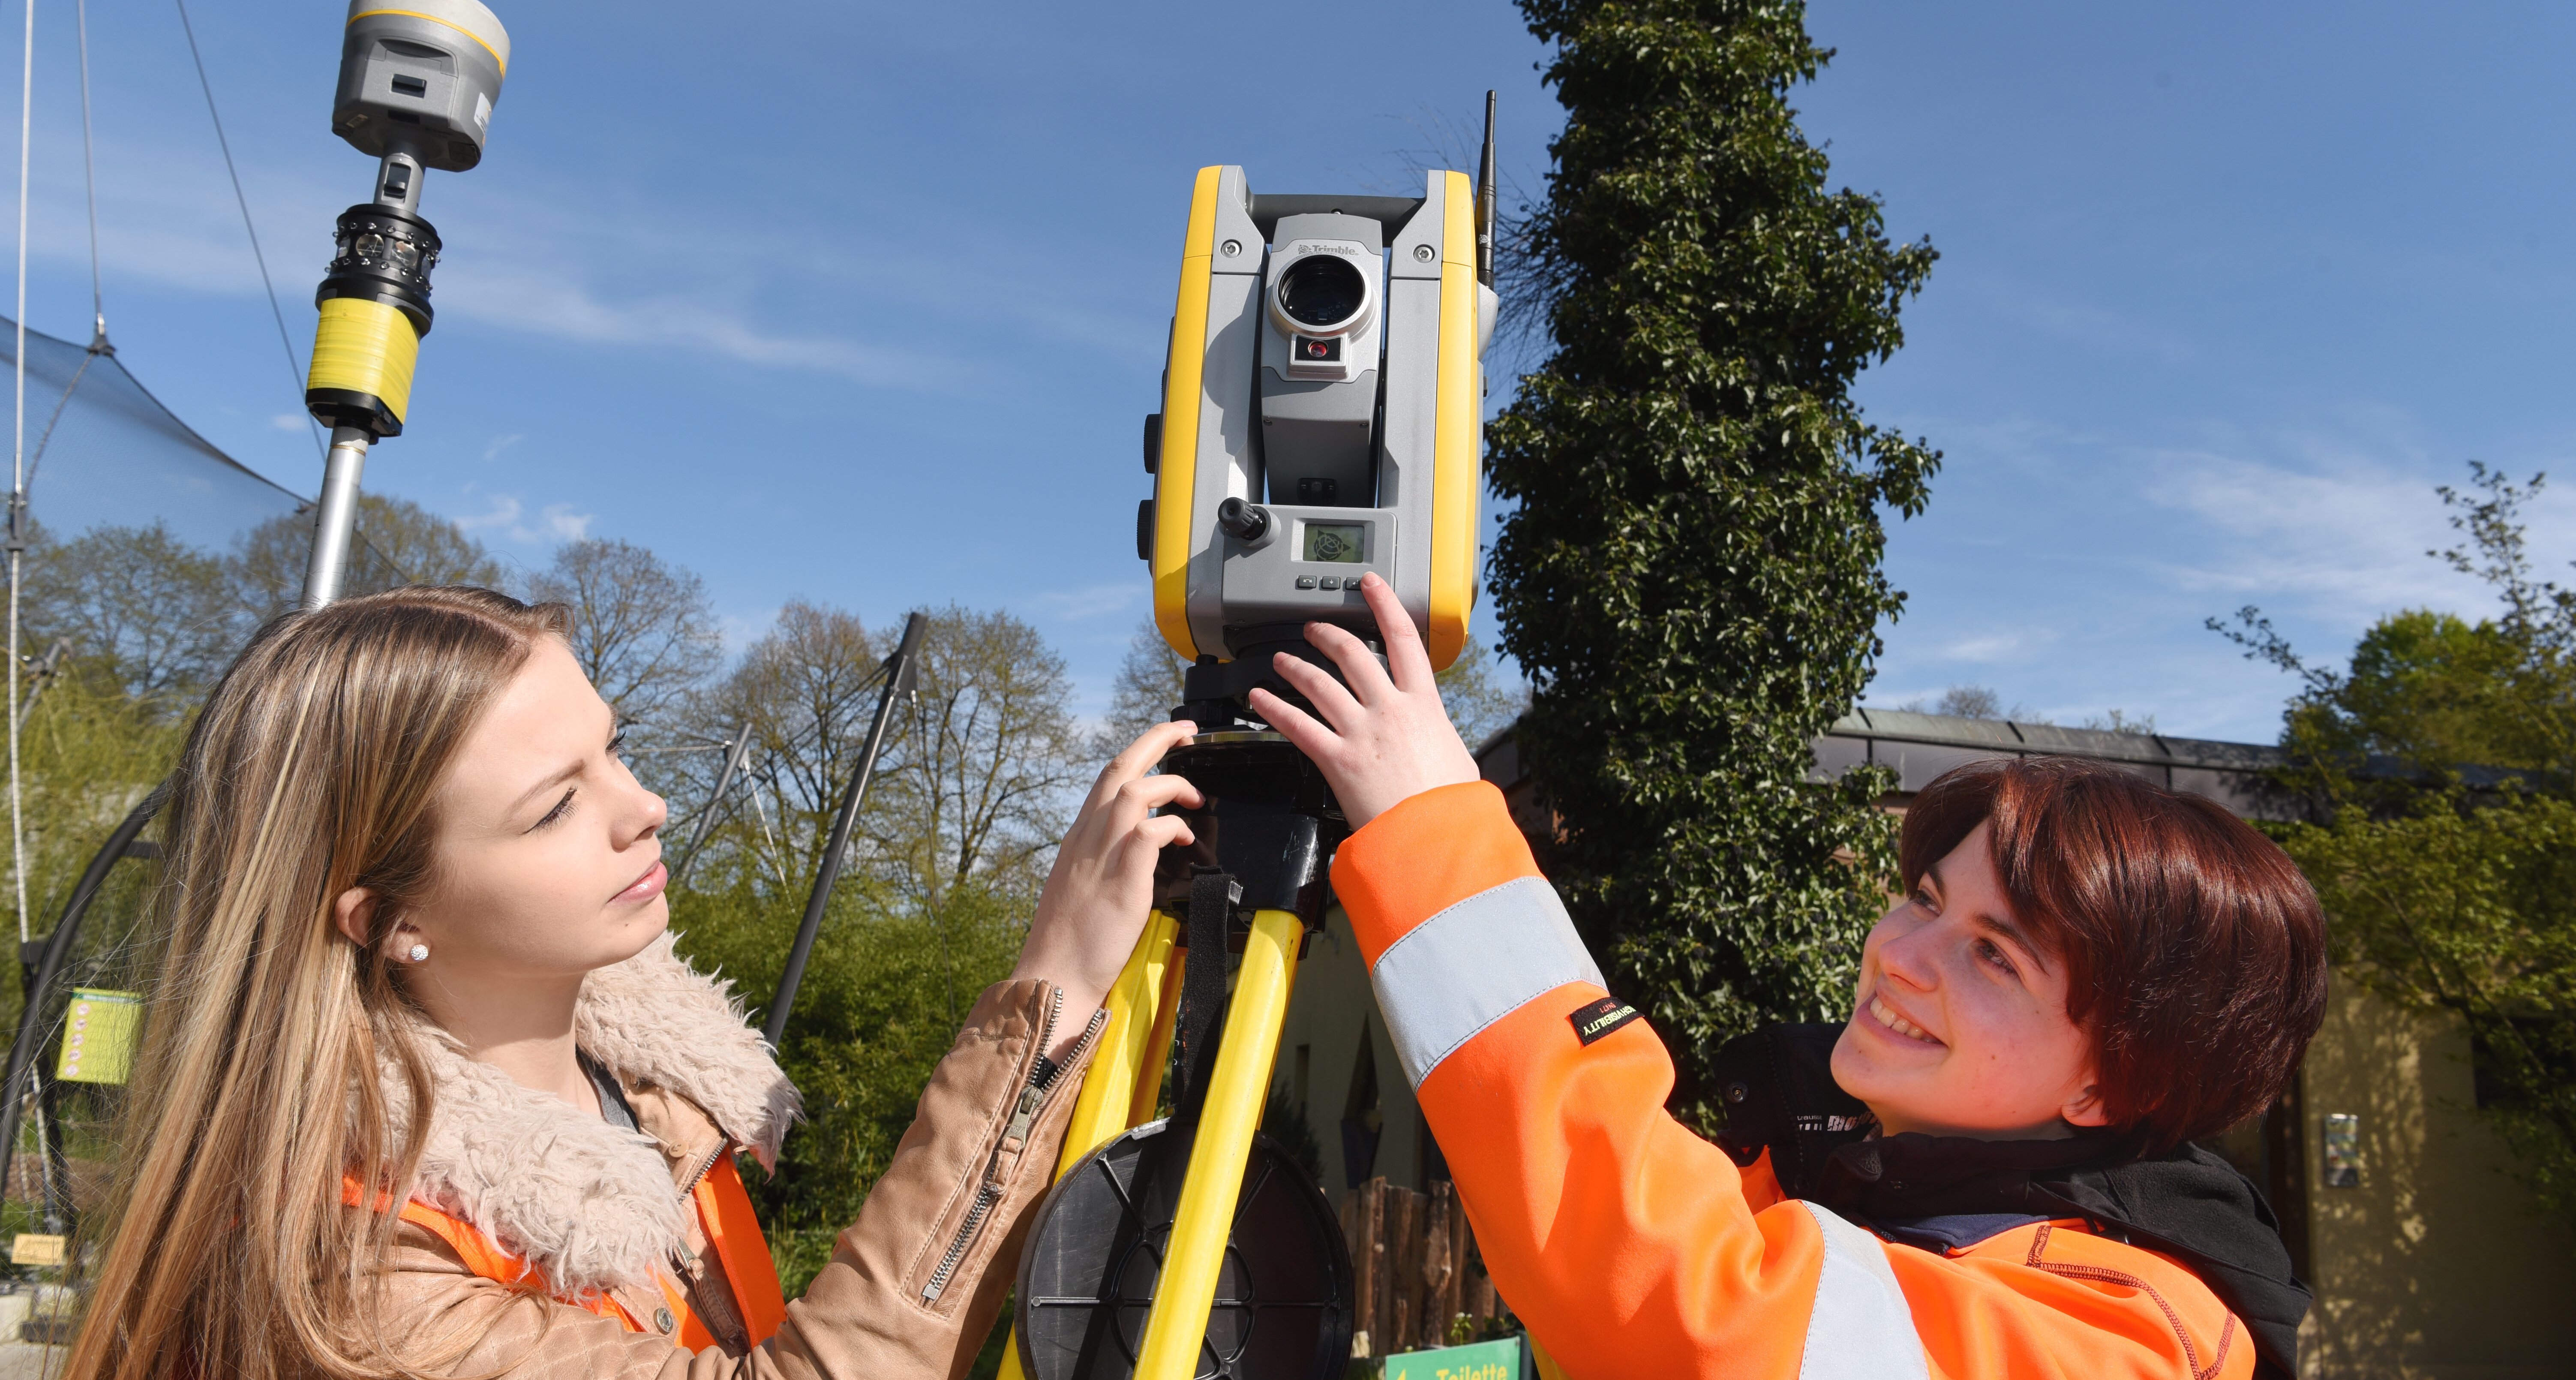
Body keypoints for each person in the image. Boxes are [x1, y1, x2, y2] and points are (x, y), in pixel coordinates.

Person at [63, 586, 1202, 1380]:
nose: (644, 805)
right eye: (556, 804)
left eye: (613, 746)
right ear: (390, 920)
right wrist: (1050, 986)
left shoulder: (653, 1096)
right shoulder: (354, 1278)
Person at [1252, 573, 2327, 1380]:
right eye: (1925, 901)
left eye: (1993, 955)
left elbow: (1697, 1316)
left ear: (2109, 1084)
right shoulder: (1842, 1180)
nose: (1896, 956)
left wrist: (1428, 832)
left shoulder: (2131, 1333)